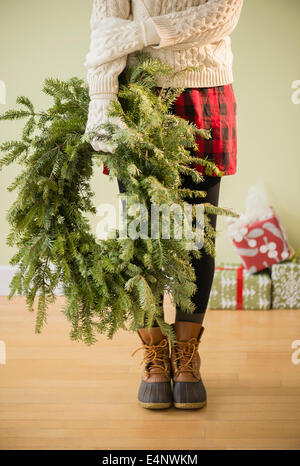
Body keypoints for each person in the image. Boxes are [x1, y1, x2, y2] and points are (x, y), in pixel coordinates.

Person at [84, 0, 244, 410]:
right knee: (141, 234)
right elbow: (105, 29)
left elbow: (224, 14)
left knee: (197, 232)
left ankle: (187, 356)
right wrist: (101, 97)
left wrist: (138, 33)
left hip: (206, 89)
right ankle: (155, 357)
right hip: (138, 94)